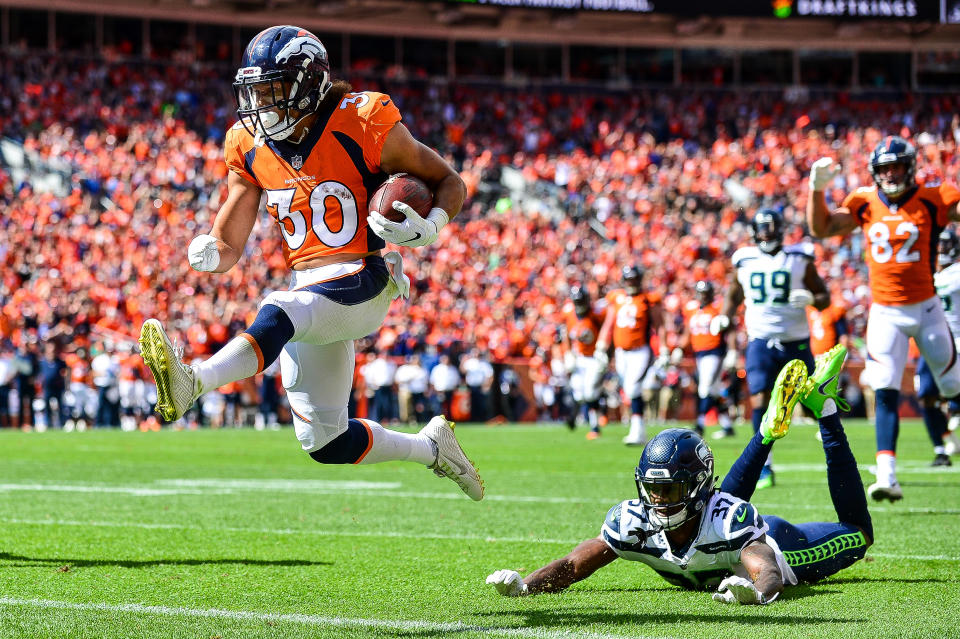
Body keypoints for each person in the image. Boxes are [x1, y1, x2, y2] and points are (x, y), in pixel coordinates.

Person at [136, 25, 482, 501]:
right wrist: (214, 251)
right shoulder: (248, 143)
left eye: (272, 90)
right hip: (311, 288)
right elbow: (231, 240)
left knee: (279, 308)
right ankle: (431, 448)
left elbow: (448, 180)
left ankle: (192, 381)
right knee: (326, 440)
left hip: (365, 274)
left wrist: (434, 222)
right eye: (254, 91)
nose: (261, 103)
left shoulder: (361, 119)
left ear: (308, 82)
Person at [487, 346, 873, 604]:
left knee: (858, 533)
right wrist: (526, 586)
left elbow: (768, 571)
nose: (659, 500)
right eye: (653, 489)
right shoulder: (635, 522)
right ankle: (766, 433)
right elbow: (572, 565)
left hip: (780, 543)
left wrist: (756, 593)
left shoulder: (731, 522)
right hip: (714, 521)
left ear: (696, 487)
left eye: (671, 490)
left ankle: (823, 410)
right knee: (707, 513)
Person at [808, 136, 960, 501]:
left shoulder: (934, 197)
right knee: (885, 388)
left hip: (927, 308)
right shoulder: (864, 202)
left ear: (910, 167)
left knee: (954, 385)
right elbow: (821, 228)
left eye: (896, 167)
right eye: (884, 168)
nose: (890, 174)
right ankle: (887, 475)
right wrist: (816, 190)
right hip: (885, 312)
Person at [715, 209, 830, 489]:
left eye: (770, 228)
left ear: (779, 230)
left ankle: (836, 455)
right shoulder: (744, 259)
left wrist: (811, 298)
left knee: (814, 399)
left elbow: (825, 298)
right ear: (754, 232)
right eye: (761, 229)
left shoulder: (799, 257)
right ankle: (764, 466)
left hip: (796, 339)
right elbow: (734, 293)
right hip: (760, 340)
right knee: (758, 399)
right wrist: (725, 314)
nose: (766, 234)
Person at [596, 265, 665, 446]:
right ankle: (639, 430)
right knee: (628, 389)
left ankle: (637, 431)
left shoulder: (647, 299)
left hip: (640, 351)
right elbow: (609, 324)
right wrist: (601, 346)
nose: (631, 283)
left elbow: (660, 325)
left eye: (634, 279)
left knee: (633, 388)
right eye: (628, 279)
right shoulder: (617, 298)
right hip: (621, 352)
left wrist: (663, 349)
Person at [914, 228, 960, 464]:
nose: (941, 250)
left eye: (945, 245)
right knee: (926, 397)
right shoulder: (927, 273)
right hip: (932, 341)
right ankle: (942, 449)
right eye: (938, 245)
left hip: (958, 341)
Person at [679, 280, 736, 439]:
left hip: (715, 352)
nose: (703, 296)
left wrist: (732, 350)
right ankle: (727, 426)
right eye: (701, 293)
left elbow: (730, 329)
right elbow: (688, 331)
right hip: (699, 354)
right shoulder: (692, 309)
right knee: (715, 390)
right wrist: (679, 348)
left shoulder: (718, 309)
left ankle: (699, 424)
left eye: (706, 293)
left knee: (705, 388)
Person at [561, 286, 606, 438]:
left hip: (594, 357)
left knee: (590, 392)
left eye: (581, 301)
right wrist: (568, 353)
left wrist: (605, 352)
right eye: (577, 301)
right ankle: (574, 419)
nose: (579, 304)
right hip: (579, 357)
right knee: (579, 394)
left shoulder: (596, 314)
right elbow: (566, 333)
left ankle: (595, 426)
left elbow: (607, 332)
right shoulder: (569, 313)